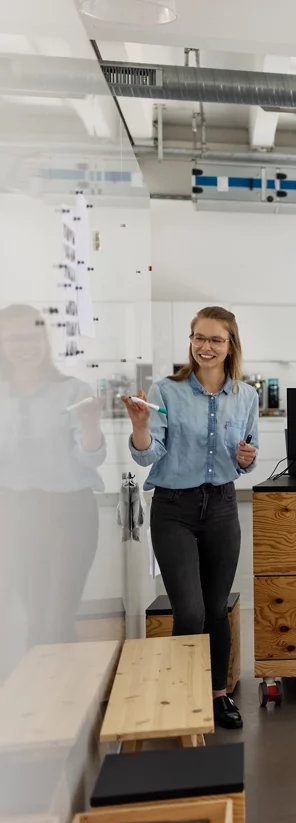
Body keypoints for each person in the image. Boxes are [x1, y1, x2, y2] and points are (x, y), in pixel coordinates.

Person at [125, 306, 259, 730]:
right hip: (174, 510)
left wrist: (247, 457)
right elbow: (149, 453)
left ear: (230, 345)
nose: (205, 347)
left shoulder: (246, 396)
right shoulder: (167, 390)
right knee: (190, 611)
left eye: (215, 339)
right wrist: (141, 427)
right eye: (199, 338)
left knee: (217, 609)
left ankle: (218, 697)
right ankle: (182, 695)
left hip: (221, 505)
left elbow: (246, 459)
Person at [0, 304, 106, 676]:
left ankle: (61, 708)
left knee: (56, 620)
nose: (24, 345)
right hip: (15, 512)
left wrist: (91, 425)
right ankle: (37, 705)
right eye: (14, 337)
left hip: (69, 513)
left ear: (44, 339)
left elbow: (91, 457)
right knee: (30, 618)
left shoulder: (71, 390)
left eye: (32, 336)